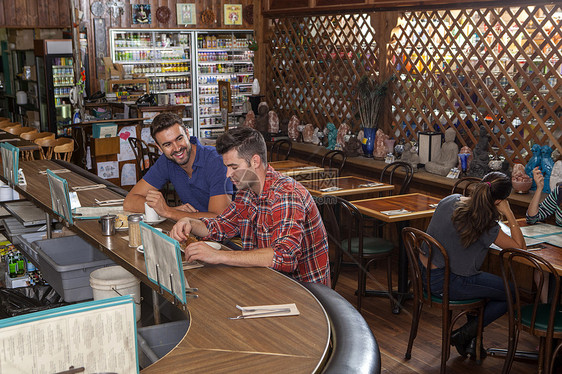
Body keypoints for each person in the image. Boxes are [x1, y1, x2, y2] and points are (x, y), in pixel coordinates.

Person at [169, 127, 330, 285]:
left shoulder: (286, 195)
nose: (227, 174)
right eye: (226, 167)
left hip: (304, 294)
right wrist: (189, 222)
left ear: (255, 161)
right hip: (266, 281)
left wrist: (218, 256)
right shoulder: (246, 190)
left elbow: (284, 257)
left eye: (234, 167)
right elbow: (221, 225)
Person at [423, 171, 525, 359]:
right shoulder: (486, 223)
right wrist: (509, 213)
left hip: (424, 274)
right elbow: (520, 248)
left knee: (484, 283)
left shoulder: (450, 200)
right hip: (446, 283)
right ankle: (464, 334)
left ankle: (469, 339)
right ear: (498, 201)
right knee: (512, 293)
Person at [123, 112, 233, 220]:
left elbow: (219, 220)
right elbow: (129, 202)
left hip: (227, 236)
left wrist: (168, 211)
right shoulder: (166, 161)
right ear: (159, 148)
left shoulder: (216, 160)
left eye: (179, 138)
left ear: (187, 134)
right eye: (167, 144)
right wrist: (170, 210)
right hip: (191, 231)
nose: (176, 148)